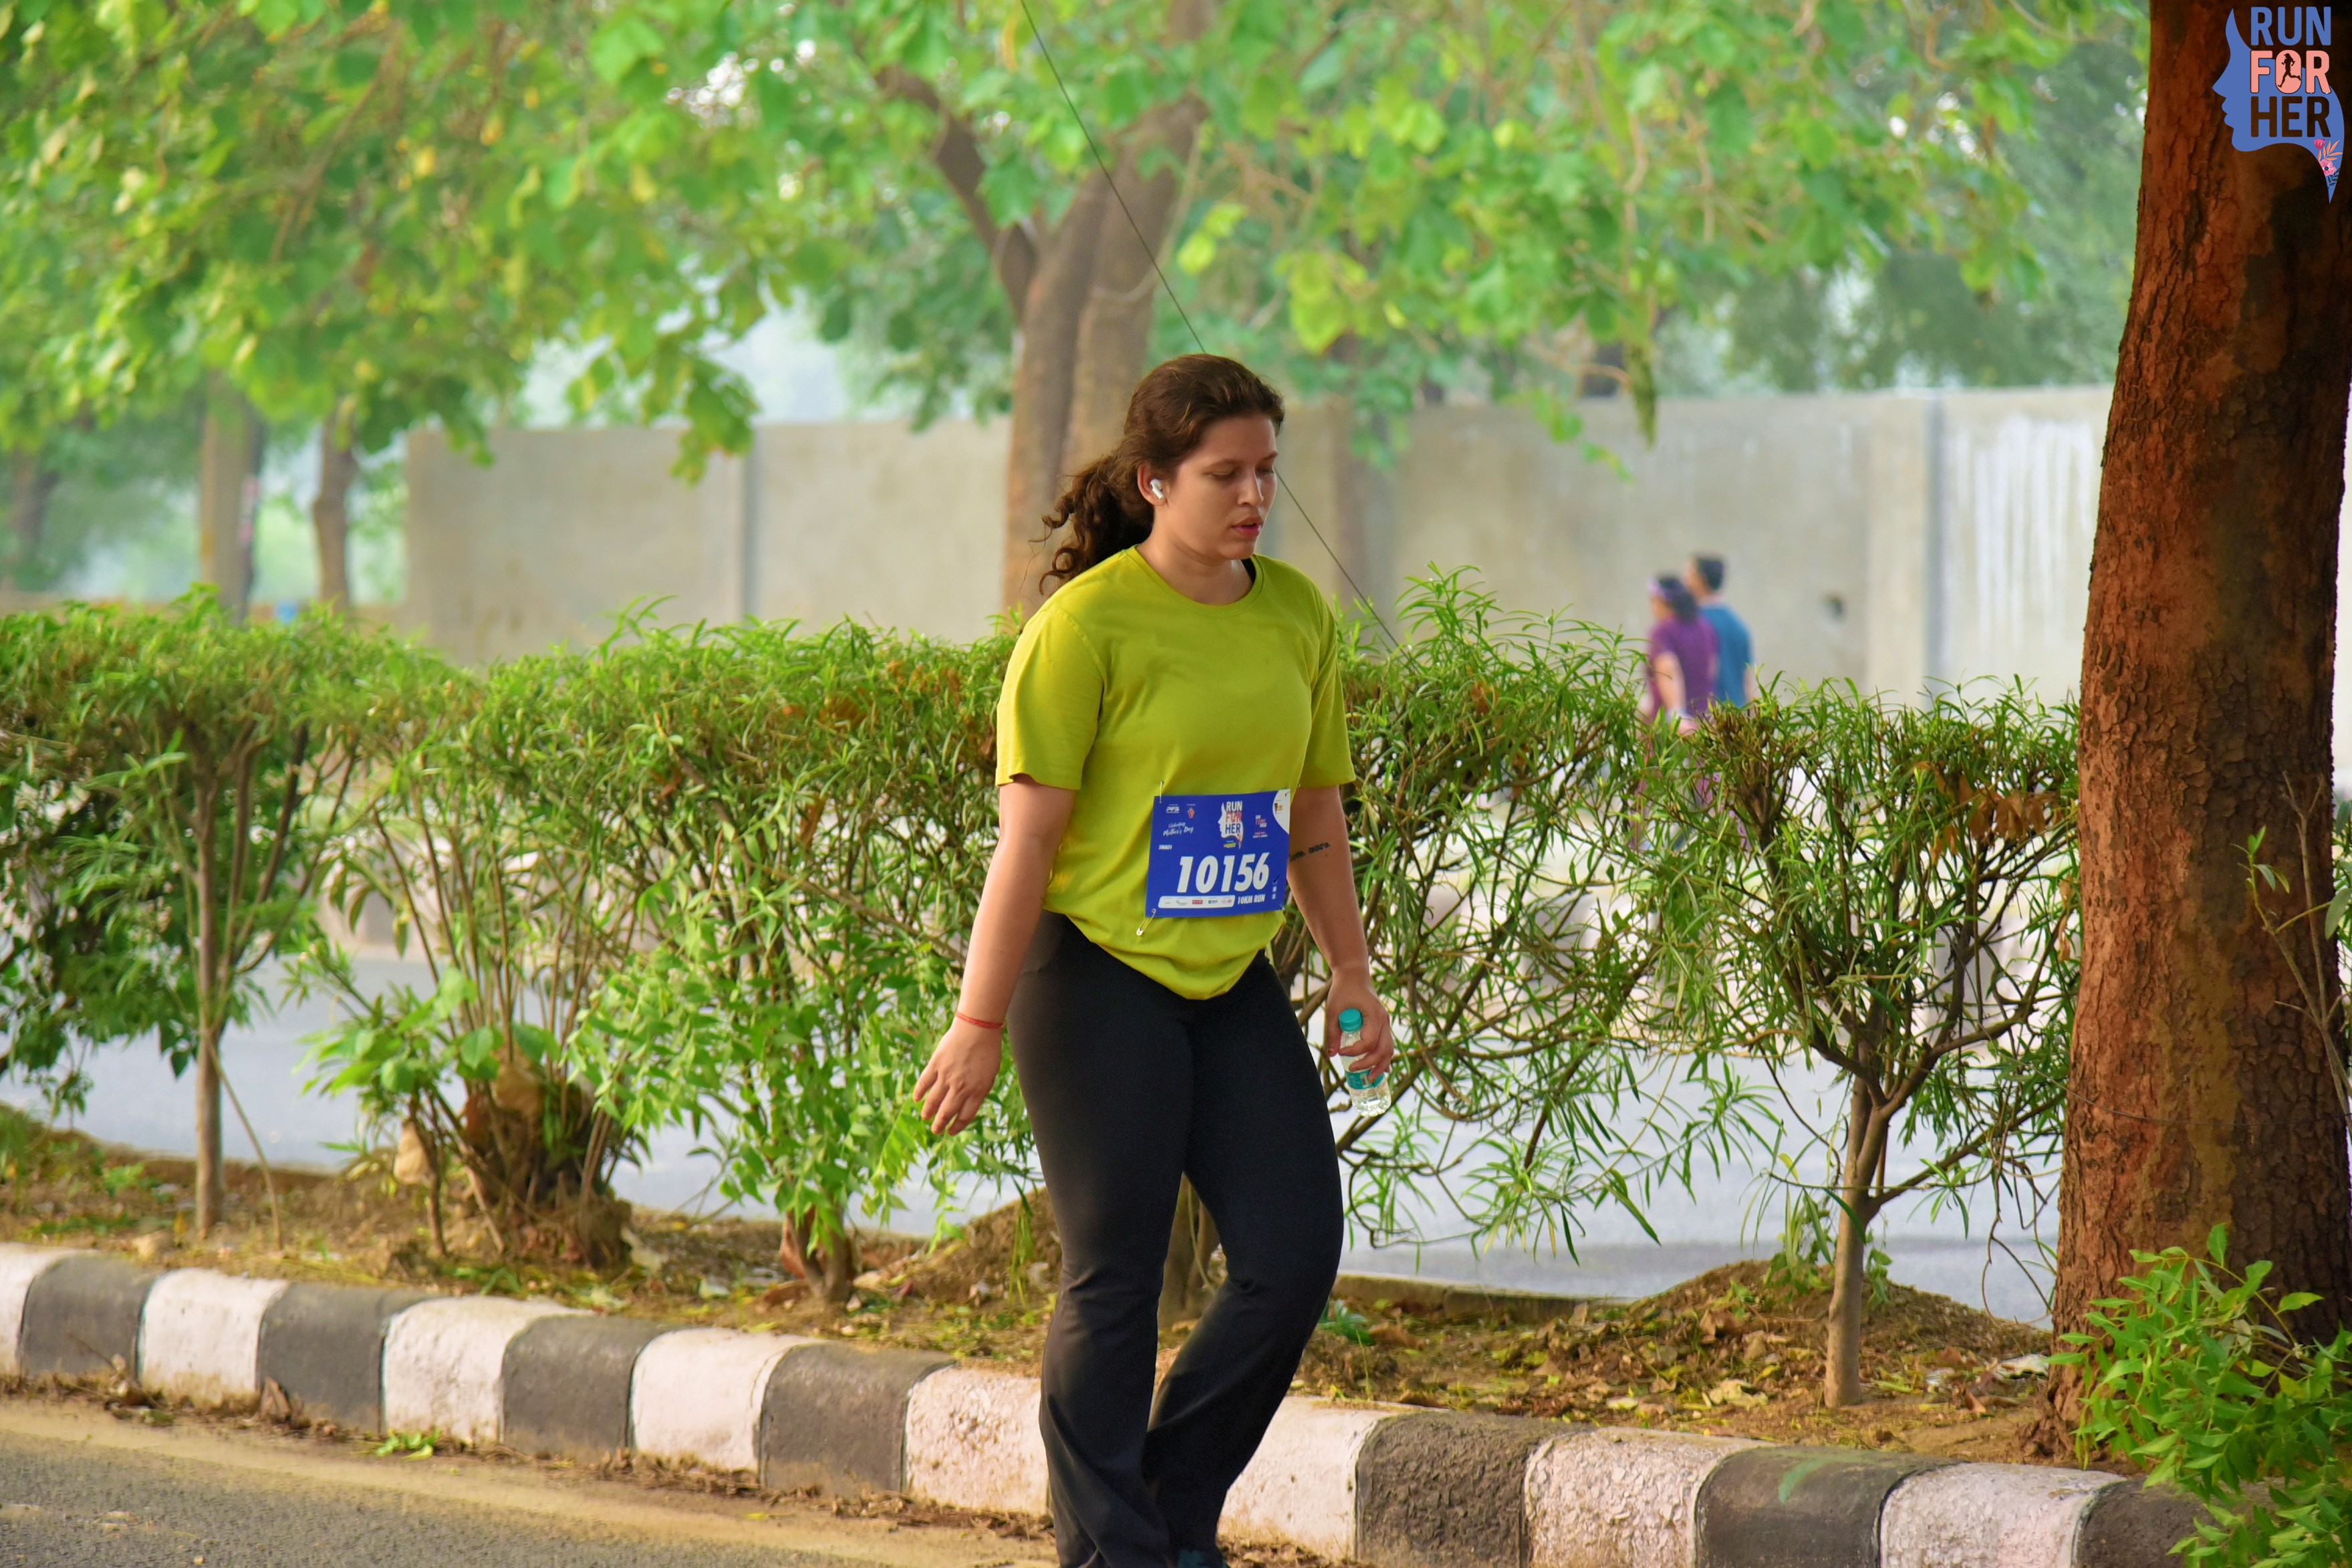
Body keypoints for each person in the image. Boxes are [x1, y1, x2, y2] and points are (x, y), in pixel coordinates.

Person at [914, 354, 1397, 1568]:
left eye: (1265, 472)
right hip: (1093, 978)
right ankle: (1116, 1554)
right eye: (1224, 474)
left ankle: (1168, 1519)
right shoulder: (1083, 629)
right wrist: (977, 1021)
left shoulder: (1294, 614)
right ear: (1154, 482)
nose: (1253, 497)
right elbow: (1027, 844)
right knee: (1115, 1280)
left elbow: (1312, 810)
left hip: (1227, 981)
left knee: (1290, 1258)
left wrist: (1349, 970)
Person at [1640, 573, 1718, 731]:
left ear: (1660, 602)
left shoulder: (1663, 632)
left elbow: (1667, 668)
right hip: (1704, 718)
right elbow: (1713, 668)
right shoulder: (1704, 628)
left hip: (1672, 727)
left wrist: (1676, 714)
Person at [1687, 554, 1756, 707]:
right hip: (1736, 714)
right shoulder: (1739, 626)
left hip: (1705, 714)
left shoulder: (1692, 625)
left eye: (1689, 575)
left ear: (1700, 580)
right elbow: (1749, 680)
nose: (1685, 581)